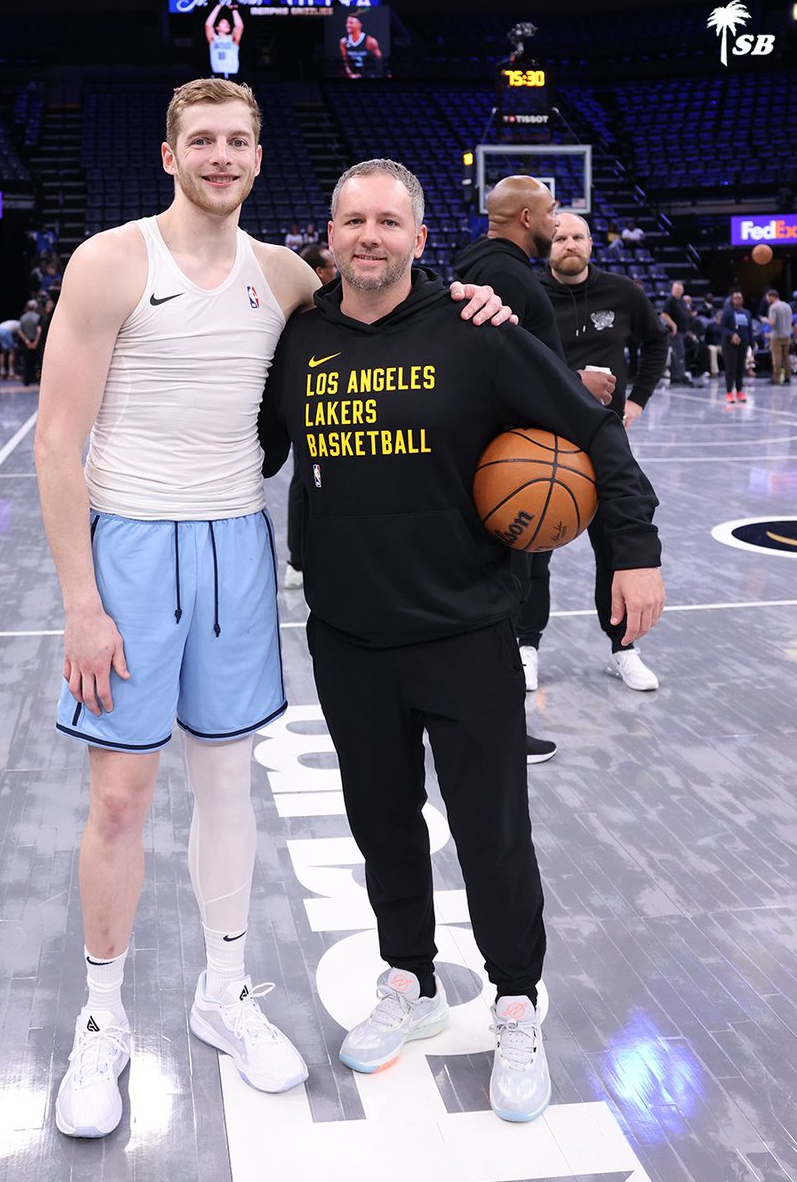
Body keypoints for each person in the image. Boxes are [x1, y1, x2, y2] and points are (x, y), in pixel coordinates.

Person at [34, 75, 520, 1141]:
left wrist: (479, 294)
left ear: (258, 159)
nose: (220, 155)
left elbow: (389, 308)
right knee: (119, 799)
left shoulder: (287, 277)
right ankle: (103, 1021)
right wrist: (81, 599)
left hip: (236, 551)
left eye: (238, 140)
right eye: (200, 139)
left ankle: (225, 995)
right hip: (129, 548)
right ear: (169, 154)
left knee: (228, 787)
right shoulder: (112, 261)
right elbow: (55, 441)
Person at [258, 158, 665, 1125]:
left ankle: (517, 1000)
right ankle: (410, 979)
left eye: (387, 222)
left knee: (492, 832)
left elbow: (593, 431)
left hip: (467, 630)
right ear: (330, 234)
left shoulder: (478, 331)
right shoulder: (300, 340)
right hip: (350, 635)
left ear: (418, 235)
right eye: (352, 219)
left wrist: (634, 550)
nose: (369, 236)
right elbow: (256, 446)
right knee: (383, 824)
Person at [453, 175, 611, 730]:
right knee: (512, 584)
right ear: (525, 218)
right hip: (517, 459)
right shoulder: (504, 272)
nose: (555, 224)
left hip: (502, 453)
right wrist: (575, 384)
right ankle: (499, 726)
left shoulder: (483, 263)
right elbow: (504, 369)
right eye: (550, 215)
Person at [539, 212, 668, 691]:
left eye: (577, 236)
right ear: (546, 245)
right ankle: (526, 644)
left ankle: (623, 648)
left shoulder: (624, 293)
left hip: (605, 440)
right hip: (543, 440)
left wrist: (637, 400)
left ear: (591, 244)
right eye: (559, 237)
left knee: (615, 544)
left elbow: (657, 343)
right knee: (533, 547)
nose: (569, 244)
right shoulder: (532, 298)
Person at [284, 245, 340, 590]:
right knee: (303, 480)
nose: (335, 272)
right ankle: (296, 560)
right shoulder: (304, 309)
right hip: (307, 400)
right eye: (331, 266)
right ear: (318, 272)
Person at [719, 289, 753, 404]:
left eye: (740, 298)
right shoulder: (728, 312)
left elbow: (749, 330)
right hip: (730, 345)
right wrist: (732, 334)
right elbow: (722, 328)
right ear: (732, 300)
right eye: (735, 298)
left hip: (743, 344)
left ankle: (739, 391)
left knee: (740, 368)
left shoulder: (747, 313)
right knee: (731, 368)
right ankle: (729, 392)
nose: (738, 300)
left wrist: (752, 343)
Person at [662, 281, 691, 385]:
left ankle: (680, 374)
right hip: (675, 333)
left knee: (681, 353)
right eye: (676, 289)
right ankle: (677, 376)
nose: (678, 291)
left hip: (683, 332)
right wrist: (673, 325)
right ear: (672, 289)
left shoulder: (681, 301)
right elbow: (664, 314)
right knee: (677, 353)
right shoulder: (670, 301)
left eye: (680, 289)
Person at [205, 0, 243, 78]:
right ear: (217, 27)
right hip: (217, 77)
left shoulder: (232, 39)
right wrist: (218, 6)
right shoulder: (213, 39)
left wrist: (234, 9)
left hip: (232, 76)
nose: (227, 24)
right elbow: (208, 25)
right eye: (223, 23)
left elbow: (239, 26)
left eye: (228, 23)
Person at [339, 13, 382, 79]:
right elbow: (345, 62)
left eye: (351, 23)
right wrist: (350, 74)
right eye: (347, 23)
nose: (348, 25)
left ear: (359, 24)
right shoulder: (343, 42)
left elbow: (379, 61)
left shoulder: (370, 41)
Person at [766, 288, 793, 385]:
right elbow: (791, 322)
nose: (767, 300)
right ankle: (788, 377)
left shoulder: (773, 307)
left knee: (776, 358)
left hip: (777, 336)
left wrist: (765, 320)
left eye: (768, 298)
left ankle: (776, 378)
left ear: (772, 297)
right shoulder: (787, 306)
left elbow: (772, 322)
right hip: (787, 335)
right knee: (786, 357)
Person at [18, 299, 42, 387]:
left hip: (27, 342)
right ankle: (38, 380)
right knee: (38, 362)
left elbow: (20, 330)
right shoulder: (37, 317)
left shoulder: (23, 317)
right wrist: (35, 342)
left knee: (27, 362)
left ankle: (26, 381)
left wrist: (26, 341)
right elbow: (39, 331)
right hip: (36, 341)